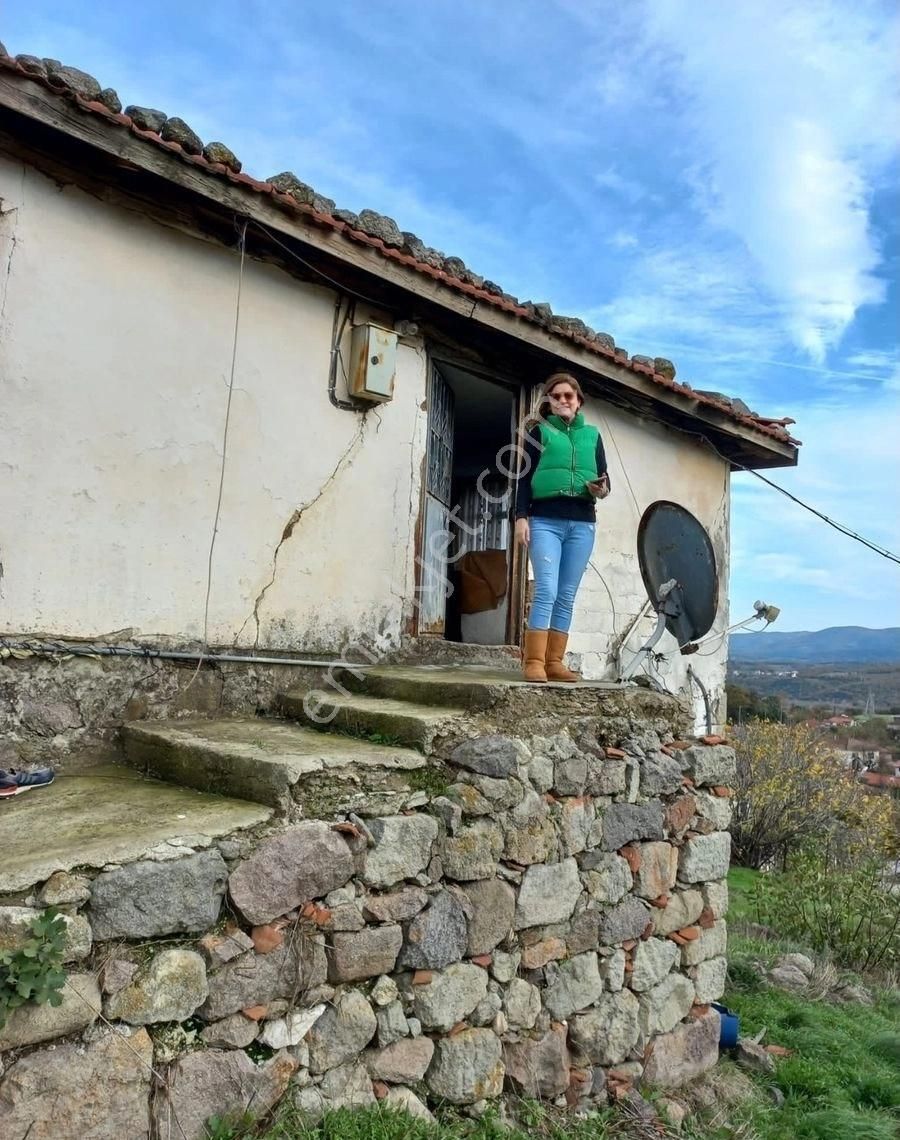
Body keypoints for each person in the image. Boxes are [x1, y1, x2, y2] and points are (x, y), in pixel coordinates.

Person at [515, 372, 610, 682]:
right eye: (555, 396)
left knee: (567, 594)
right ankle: (534, 662)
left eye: (568, 395)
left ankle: (554, 662)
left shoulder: (593, 436)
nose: (562, 400)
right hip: (545, 521)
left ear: (578, 401)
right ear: (549, 403)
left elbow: (605, 480)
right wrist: (520, 518)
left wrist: (602, 489)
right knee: (547, 590)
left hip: (583, 523)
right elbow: (523, 481)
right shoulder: (538, 433)